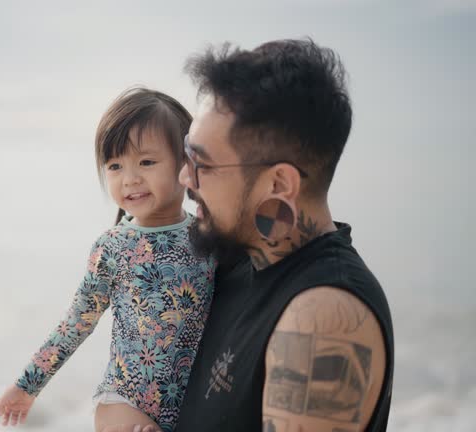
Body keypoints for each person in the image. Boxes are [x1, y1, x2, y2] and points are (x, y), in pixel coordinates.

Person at [126, 38, 395, 432]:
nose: (185, 178)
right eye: (186, 154)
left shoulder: (323, 319)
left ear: (279, 183)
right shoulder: (237, 263)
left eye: (202, 163)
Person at [0, 87, 217, 431]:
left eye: (147, 162)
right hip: (127, 403)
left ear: (186, 165)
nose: (130, 178)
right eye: (115, 166)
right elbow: (76, 323)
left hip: (193, 405)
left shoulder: (209, 237)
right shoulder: (114, 247)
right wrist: (26, 387)